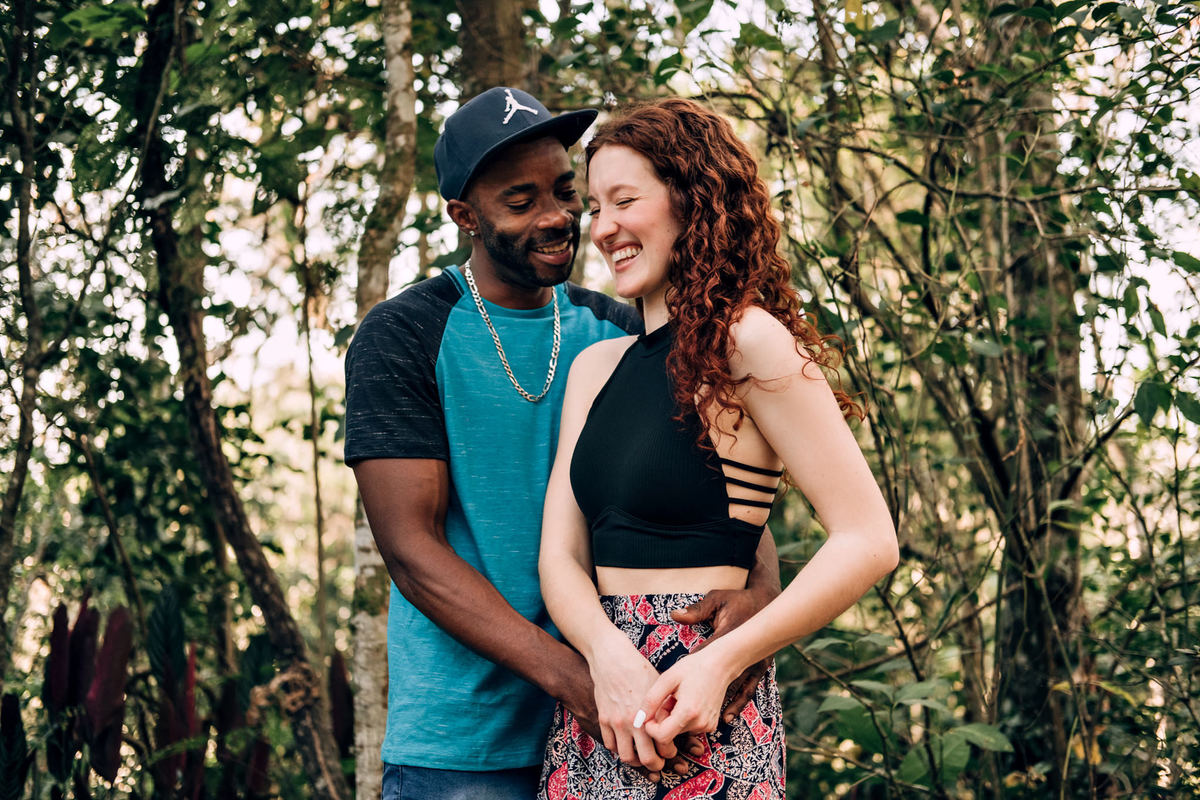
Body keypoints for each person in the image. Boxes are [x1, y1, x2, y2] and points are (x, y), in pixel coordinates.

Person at [344, 87, 780, 800]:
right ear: (466, 218)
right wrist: (577, 679)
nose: (556, 218)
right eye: (520, 202)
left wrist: (759, 590)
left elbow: (718, 480)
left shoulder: (622, 329)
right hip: (467, 744)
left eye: (562, 191)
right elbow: (412, 551)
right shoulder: (404, 335)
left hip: (634, 725)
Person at [537, 98, 900, 799]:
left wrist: (722, 661)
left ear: (690, 201)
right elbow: (561, 555)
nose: (603, 227)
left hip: (702, 706)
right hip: (598, 704)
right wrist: (606, 659)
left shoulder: (748, 341)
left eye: (625, 201)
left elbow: (869, 539)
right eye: (595, 208)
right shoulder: (594, 369)